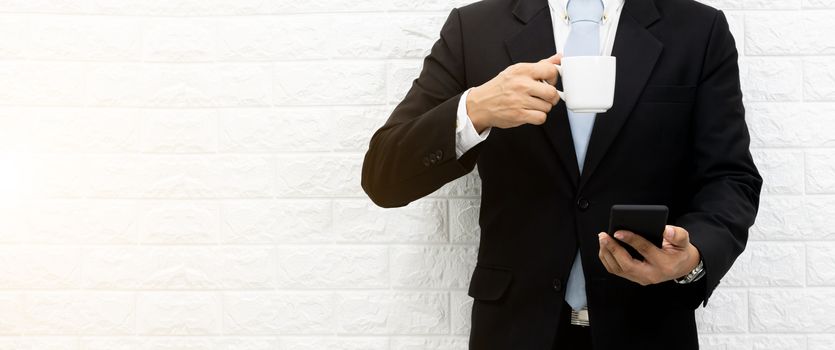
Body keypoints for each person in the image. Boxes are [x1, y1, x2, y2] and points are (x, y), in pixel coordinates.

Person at [360, 0, 762, 348]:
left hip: (649, 325)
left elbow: (731, 179)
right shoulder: (473, 28)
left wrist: (692, 259)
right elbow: (383, 175)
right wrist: (476, 108)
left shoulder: (699, 29)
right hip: (513, 331)